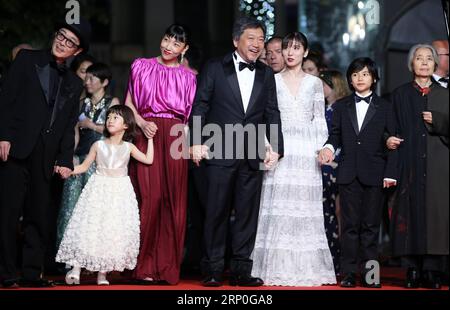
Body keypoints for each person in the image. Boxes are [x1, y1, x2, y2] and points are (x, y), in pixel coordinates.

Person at [190, 16, 284, 287]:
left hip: (253, 152)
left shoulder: (266, 73)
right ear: (236, 40)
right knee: (216, 212)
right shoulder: (214, 67)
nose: (257, 44)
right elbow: (200, 106)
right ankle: (212, 269)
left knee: (247, 214)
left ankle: (242, 270)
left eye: (261, 39)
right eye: (251, 38)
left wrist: (276, 148)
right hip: (219, 149)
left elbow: (272, 112)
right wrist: (196, 141)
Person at [0, 19, 91, 288]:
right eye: (61, 36)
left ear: (77, 51)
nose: (62, 42)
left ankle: (31, 273)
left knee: (38, 216)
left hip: (46, 155)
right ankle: (7, 273)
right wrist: (3, 135)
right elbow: (6, 99)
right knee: (7, 213)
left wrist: (64, 159)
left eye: (69, 41)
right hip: (16, 146)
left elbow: (67, 125)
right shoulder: (27, 60)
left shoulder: (75, 83)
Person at [251, 32, 335, 287]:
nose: (290, 52)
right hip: (279, 149)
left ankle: (307, 268)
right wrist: (267, 147)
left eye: (296, 48)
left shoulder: (314, 83)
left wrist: (320, 148)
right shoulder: (270, 80)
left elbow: (319, 119)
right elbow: (264, 117)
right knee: (278, 207)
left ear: (305, 53)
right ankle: (274, 267)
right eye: (286, 47)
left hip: (306, 153)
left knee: (304, 209)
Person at [125, 24, 197, 285]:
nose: (169, 46)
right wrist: (142, 123)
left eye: (176, 44)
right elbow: (129, 103)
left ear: (184, 49)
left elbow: (188, 119)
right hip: (148, 133)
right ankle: (141, 265)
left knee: (173, 200)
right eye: (167, 39)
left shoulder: (189, 77)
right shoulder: (141, 66)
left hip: (176, 136)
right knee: (148, 197)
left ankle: (166, 268)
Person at [319, 57, 397, 288]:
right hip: (348, 173)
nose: (360, 78)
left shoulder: (385, 107)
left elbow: (393, 141)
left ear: (373, 78)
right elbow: (334, 136)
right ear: (350, 80)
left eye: (364, 74)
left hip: (375, 173)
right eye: (355, 75)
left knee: (371, 227)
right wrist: (328, 148)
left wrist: (390, 173)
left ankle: (371, 275)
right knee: (350, 227)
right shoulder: (341, 106)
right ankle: (349, 274)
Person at [56, 105, 153, 286]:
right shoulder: (98, 145)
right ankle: (76, 268)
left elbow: (149, 159)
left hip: (119, 190)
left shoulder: (128, 147)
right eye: (109, 117)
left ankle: (102, 273)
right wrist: (68, 170)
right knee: (89, 226)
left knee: (111, 229)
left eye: (115, 117)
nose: (110, 120)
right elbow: (84, 167)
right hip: (98, 187)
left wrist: (151, 140)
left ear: (126, 125)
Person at [387, 44, 448, 289]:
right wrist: (387, 139)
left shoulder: (445, 95)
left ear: (435, 64)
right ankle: (411, 269)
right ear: (411, 63)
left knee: (436, 215)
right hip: (408, 162)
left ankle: (433, 271)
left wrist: (440, 120)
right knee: (408, 214)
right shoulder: (399, 94)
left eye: (429, 59)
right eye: (419, 58)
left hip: (438, 164)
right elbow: (388, 127)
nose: (424, 62)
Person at [56, 63, 119, 249]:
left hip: (101, 162)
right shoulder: (80, 103)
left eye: (92, 78)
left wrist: (91, 125)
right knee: (70, 207)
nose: (87, 81)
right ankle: (67, 255)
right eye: (86, 77)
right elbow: (73, 133)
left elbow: (113, 131)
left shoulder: (112, 102)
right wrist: (69, 156)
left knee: (96, 209)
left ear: (104, 82)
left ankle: (93, 253)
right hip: (80, 157)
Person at [318, 70, 351, 275]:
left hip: (332, 167)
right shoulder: (327, 108)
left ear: (334, 85)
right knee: (328, 214)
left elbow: (340, 139)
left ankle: (336, 262)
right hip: (326, 166)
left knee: (333, 214)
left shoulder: (337, 109)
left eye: (322, 84)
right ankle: (332, 262)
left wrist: (334, 161)